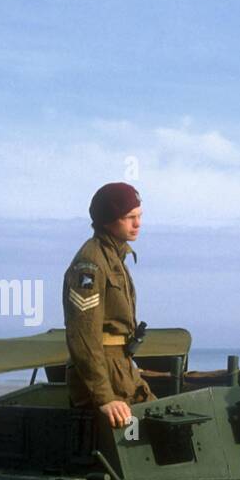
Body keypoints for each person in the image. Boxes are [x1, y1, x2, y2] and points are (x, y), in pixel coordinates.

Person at [63, 182, 154, 427]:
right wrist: (104, 397)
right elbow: (83, 336)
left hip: (120, 367)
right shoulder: (90, 264)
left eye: (139, 216)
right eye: (129, 217)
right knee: (138, 437)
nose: (138, 224)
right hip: (104, 373)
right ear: (107, 220)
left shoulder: (114, 256)